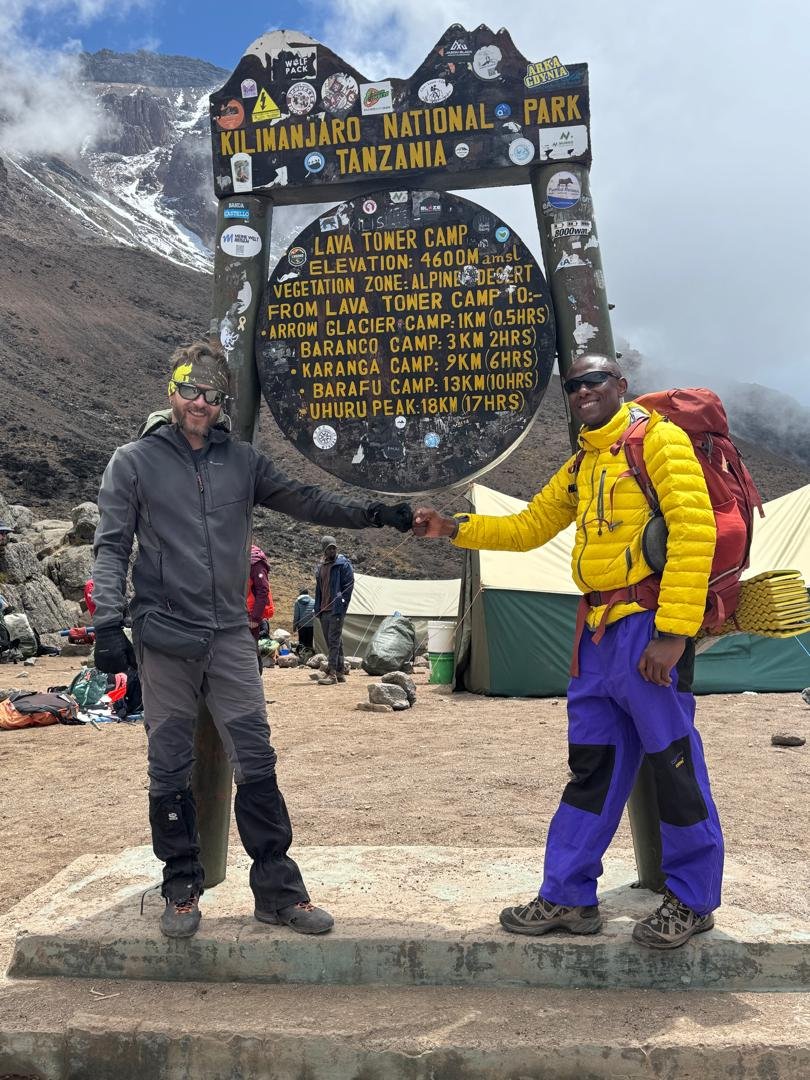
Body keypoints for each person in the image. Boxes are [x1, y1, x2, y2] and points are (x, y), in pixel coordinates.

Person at [91, 338, 412, 939]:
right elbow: (110, 547)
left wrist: (375, 513)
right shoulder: (132, 462)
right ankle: (181, 885)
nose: (199, 402)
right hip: (164, 636)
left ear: (223, 403)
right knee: (169, 763)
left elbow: (308, 500)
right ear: (172, 391)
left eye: (212, 394)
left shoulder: (241, 461)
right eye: (189, 389)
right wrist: (108, 625)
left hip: (230, 637)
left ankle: (277, 890)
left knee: (256, 759)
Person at [413, 354, 723, 950]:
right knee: (593, 769)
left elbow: (694, 531)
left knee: (674, 765)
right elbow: (528, 526)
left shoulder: (658, 441)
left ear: (620, 385)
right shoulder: (583, 463)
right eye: (573, 385)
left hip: (648, 624)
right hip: (598, 632)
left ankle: (693, 899)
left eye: (593, 381)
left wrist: (674, 633)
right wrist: (453, 529)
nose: (582, 391)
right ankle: (568, 896)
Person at [314, 536, 353, 686]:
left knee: (333, 640)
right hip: (323, 610)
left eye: (334, 547)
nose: (332, 550)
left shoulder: (343, 565)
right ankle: (340, 671)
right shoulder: (321, 567)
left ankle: (331, 674)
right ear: (324, 550)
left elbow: (349, 586)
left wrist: (342, 602)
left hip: (336, 609)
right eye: (329, 548)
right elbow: (318, 589)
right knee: (334, 641)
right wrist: (317, 608)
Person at [247, 542, 274, 641]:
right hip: (238, 613)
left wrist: (255, 617)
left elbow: (263, 590)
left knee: (249, 649)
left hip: (250, 615)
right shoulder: (237, 556)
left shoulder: (256, 562)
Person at [293, 587, 315, 655]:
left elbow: (296, 616)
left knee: (302, 642)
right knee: (309, 642)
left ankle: (302, 656)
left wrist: (294, 627)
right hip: (311, 625)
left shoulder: (297, 602)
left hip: (301, 625)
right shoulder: (313, 601)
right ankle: (309, 657)